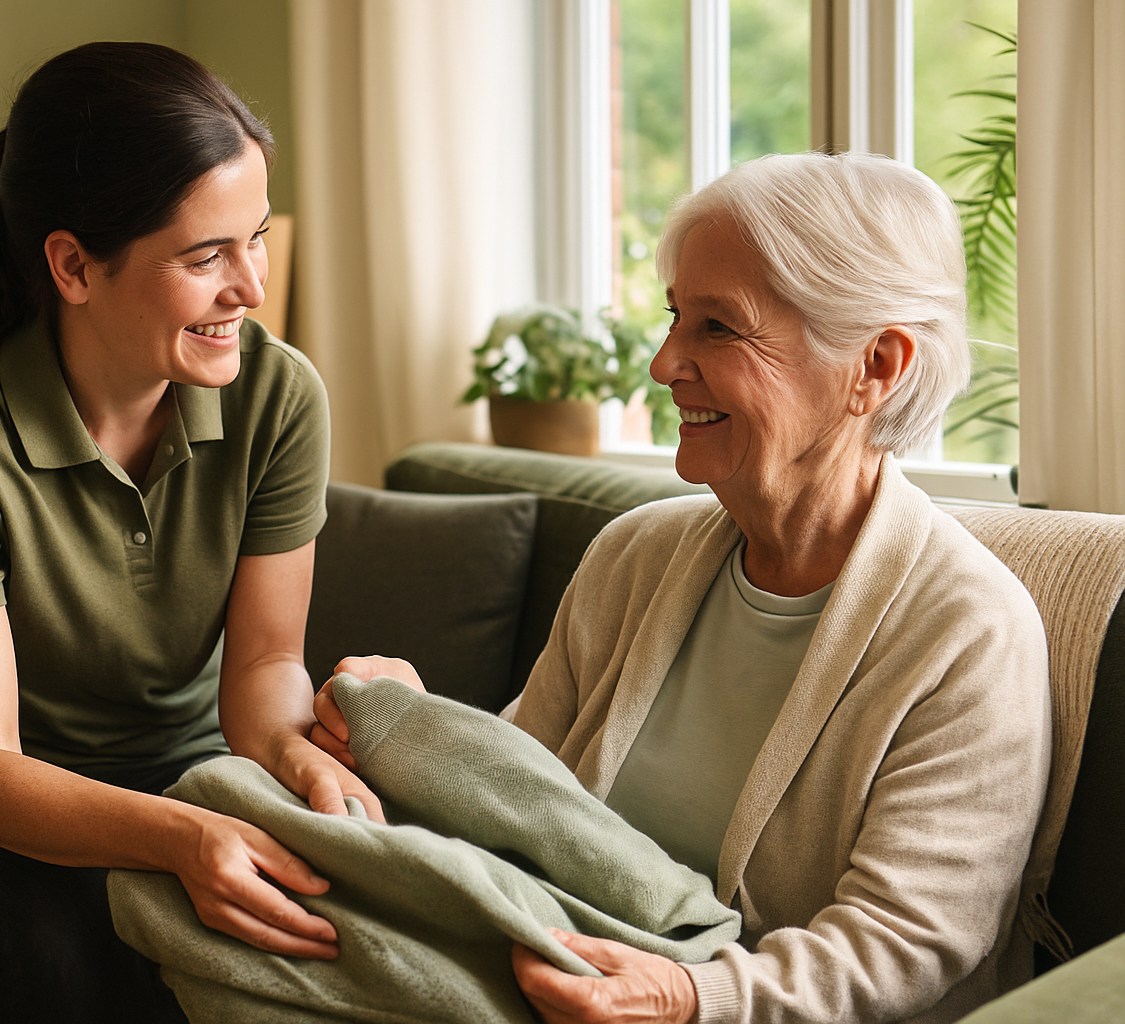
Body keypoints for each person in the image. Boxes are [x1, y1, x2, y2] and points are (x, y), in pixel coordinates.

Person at [313, 152, 1050, 1024]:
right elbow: (525, 800)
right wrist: (414, 736)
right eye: (674, 319)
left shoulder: (968, 630)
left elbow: (904, 943)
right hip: (549, 966)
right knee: (204, 858)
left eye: (717, 328)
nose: (664, 364)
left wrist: (687, 995)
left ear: (876, 366)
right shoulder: (633, 555)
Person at [0, 42, 378, 1023]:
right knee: (70, 953)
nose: (249, 286)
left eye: (258, 238)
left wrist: (300, 761)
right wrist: (183, 838)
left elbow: (263, 666)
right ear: (74, 265)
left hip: (185, 759)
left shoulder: (281, 397)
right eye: (206, 255)